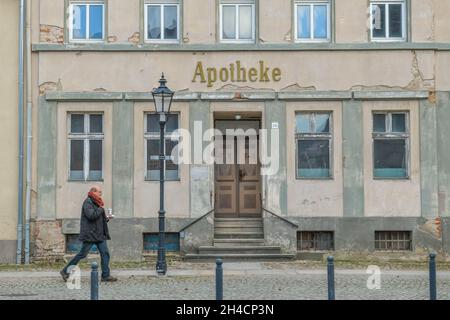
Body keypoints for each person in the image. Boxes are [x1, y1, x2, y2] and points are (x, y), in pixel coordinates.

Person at [60, 186, 117, 282]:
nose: (100, 194)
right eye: (99, 192)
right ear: (93, 192)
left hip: (99, 234)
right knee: (82, 254)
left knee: (105, 254)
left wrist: (106, 218)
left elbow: (97, 219)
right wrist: (101, 209)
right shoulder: (88, 202)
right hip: (90, 234)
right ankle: (65, 271)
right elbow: (91, 216)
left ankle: (105, 276)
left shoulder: (96, 202)